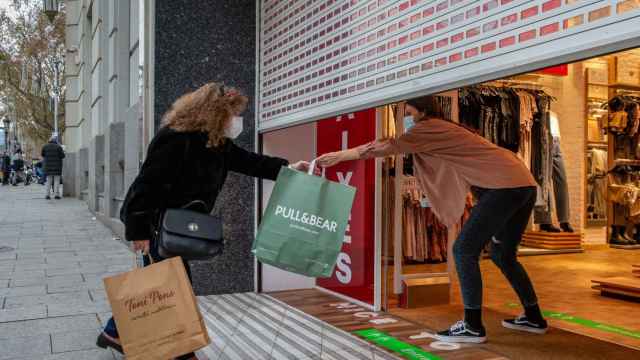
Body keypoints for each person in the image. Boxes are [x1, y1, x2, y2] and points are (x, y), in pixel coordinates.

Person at [95, 82, 313, 360]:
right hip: (159, 226)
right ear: (214, 112)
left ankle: (120, 332)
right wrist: (139, 231)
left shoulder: (217, 144)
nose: (235, 121)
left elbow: (252, 162)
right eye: (232, 114)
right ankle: (175, 349)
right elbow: (146, 186)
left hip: (182, 227)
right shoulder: (174, 138)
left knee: (166, 283)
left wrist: (289, 168)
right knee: (171, 285)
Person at [317, 96, 547, 344]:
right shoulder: (447, 127)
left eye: (408, 111)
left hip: (503, 188)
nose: (406, 117)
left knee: (463, 250)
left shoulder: (428, 128)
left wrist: (343, 155)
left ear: (422, 111)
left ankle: (472, 325)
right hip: (523, 184)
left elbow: (388, 145)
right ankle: (533, 316)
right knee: (503, 255)